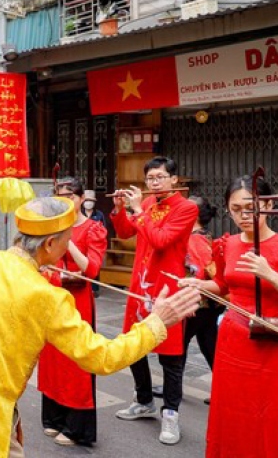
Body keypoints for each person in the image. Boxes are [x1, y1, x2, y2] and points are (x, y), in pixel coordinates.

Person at [0, 197, 201, 457]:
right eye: (67, 241)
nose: (67, 248)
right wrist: (156, 323)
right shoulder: (47, 296)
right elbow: (102, 357)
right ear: (51, 244)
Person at [178, 177, 278, 458]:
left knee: (271, 417)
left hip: (272, 344)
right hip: (232, 340)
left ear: (266, 204)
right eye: (235, 209)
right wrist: (199, 285)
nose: (242, 216)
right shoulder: (228, 244)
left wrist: (270, 275)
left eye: (249, 208)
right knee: (233, 413)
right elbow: (225, 287)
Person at [111, 156, 198, 445]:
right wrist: (120, 210)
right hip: (140, 286)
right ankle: (144, 399)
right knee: (134, 346)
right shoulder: (148, 205)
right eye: (150, 178)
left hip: (167, 288)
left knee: (170, 355)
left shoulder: (186, 208)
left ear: (174, 179)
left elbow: (160, 240)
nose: (154, 183)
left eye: (160, 177)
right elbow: (125, 233)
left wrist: (138, 210)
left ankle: (171, 412)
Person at [37, 177, 108, 446]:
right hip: (54, 296)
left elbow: (91, 270)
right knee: (53, 357)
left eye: (70, 196)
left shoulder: (93, 229)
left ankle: (77, 427)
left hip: (78, 300)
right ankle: (53, 418)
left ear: (81, 199)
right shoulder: (51, 227)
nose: (65, 201)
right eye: (60, 196)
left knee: (75, 360)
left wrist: (68, 238)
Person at [182, 196, 221, 377]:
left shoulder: (195, 239)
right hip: (209, 303)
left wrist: (189, 300)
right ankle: (222, 390)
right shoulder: (203, 235)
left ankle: (172, 389)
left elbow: (201, 270)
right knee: (209, 344)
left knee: (179, 345)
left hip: (200, 302)